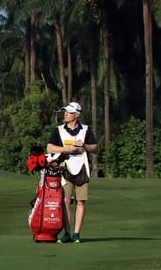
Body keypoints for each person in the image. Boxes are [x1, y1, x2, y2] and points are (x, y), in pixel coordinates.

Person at [47, 101, 98, 244]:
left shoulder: (86, 130)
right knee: (66, 201)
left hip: (82, 168)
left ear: (77, 115)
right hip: (65, 168)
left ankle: (77, 234)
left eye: (69, 112)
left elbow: (94, 147)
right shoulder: (58, 130)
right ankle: (67, 233)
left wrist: (84, 146)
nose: (66, 114)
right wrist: (66, 149)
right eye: (65, 111)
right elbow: (50, 148)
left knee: (80, 202)